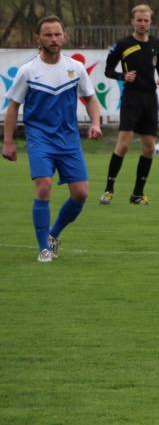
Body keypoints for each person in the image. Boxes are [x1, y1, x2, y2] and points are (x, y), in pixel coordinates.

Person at [2, 16, 103, 262]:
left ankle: (53, 234)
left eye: (57, 34)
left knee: (81, 193)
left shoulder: (75, 68)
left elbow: (90, 99)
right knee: (44, 185)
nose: (54, 39)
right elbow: (13, 107)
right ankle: (43, 249)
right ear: (38, 38)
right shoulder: (28, 71)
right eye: (48, 35)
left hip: (68, 139)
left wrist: (95, 123)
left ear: (64, 37)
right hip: (40, 138)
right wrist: (8, 141)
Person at [100, 4, 159, 206]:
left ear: (150, 22)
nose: (142, 23)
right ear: (132, 21)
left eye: (146, 20)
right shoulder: (123, 44)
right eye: (139, 20)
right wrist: (123, 76)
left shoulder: (156, 43)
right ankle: (108, 190)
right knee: (124, 144)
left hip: (150, 99)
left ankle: (137, 194)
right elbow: (108, 70)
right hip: (132, 98)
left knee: (149, 147)